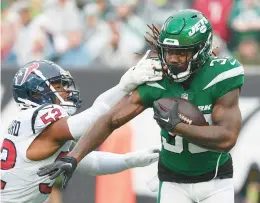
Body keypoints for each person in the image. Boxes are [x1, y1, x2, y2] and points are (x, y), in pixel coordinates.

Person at [38, 9, 245, 203]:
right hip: (173, 181)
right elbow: (111, 119)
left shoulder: (222, 75)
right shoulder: (157, 77)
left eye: (181, 53)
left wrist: (178, 127)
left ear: (202, 50)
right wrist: (74, 157)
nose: (172, 59)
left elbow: (228, 138)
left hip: (216, 181)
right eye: (168, 51)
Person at [0, 54, 163, 203]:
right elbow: (92, 119)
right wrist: (124, 86)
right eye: (58, 85)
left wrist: (130, 160)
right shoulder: (39, 118)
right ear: (36, 93)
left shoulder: (33, 128)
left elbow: (92, 163)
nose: (66, 91)